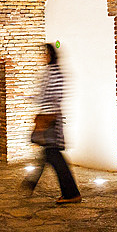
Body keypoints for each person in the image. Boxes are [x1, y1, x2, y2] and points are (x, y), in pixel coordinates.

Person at [22, 43, 81, 204]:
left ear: (50, 55)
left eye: (44, 53)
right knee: (49, 154)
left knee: (53, 155)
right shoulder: (59, 72)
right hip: (54, 117)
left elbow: (44, 96)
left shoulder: (49, 73)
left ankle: (71, 193)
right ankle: (31, 183)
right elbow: (58, 96)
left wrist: (29, 98)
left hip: (48, 118)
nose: (42, 56)